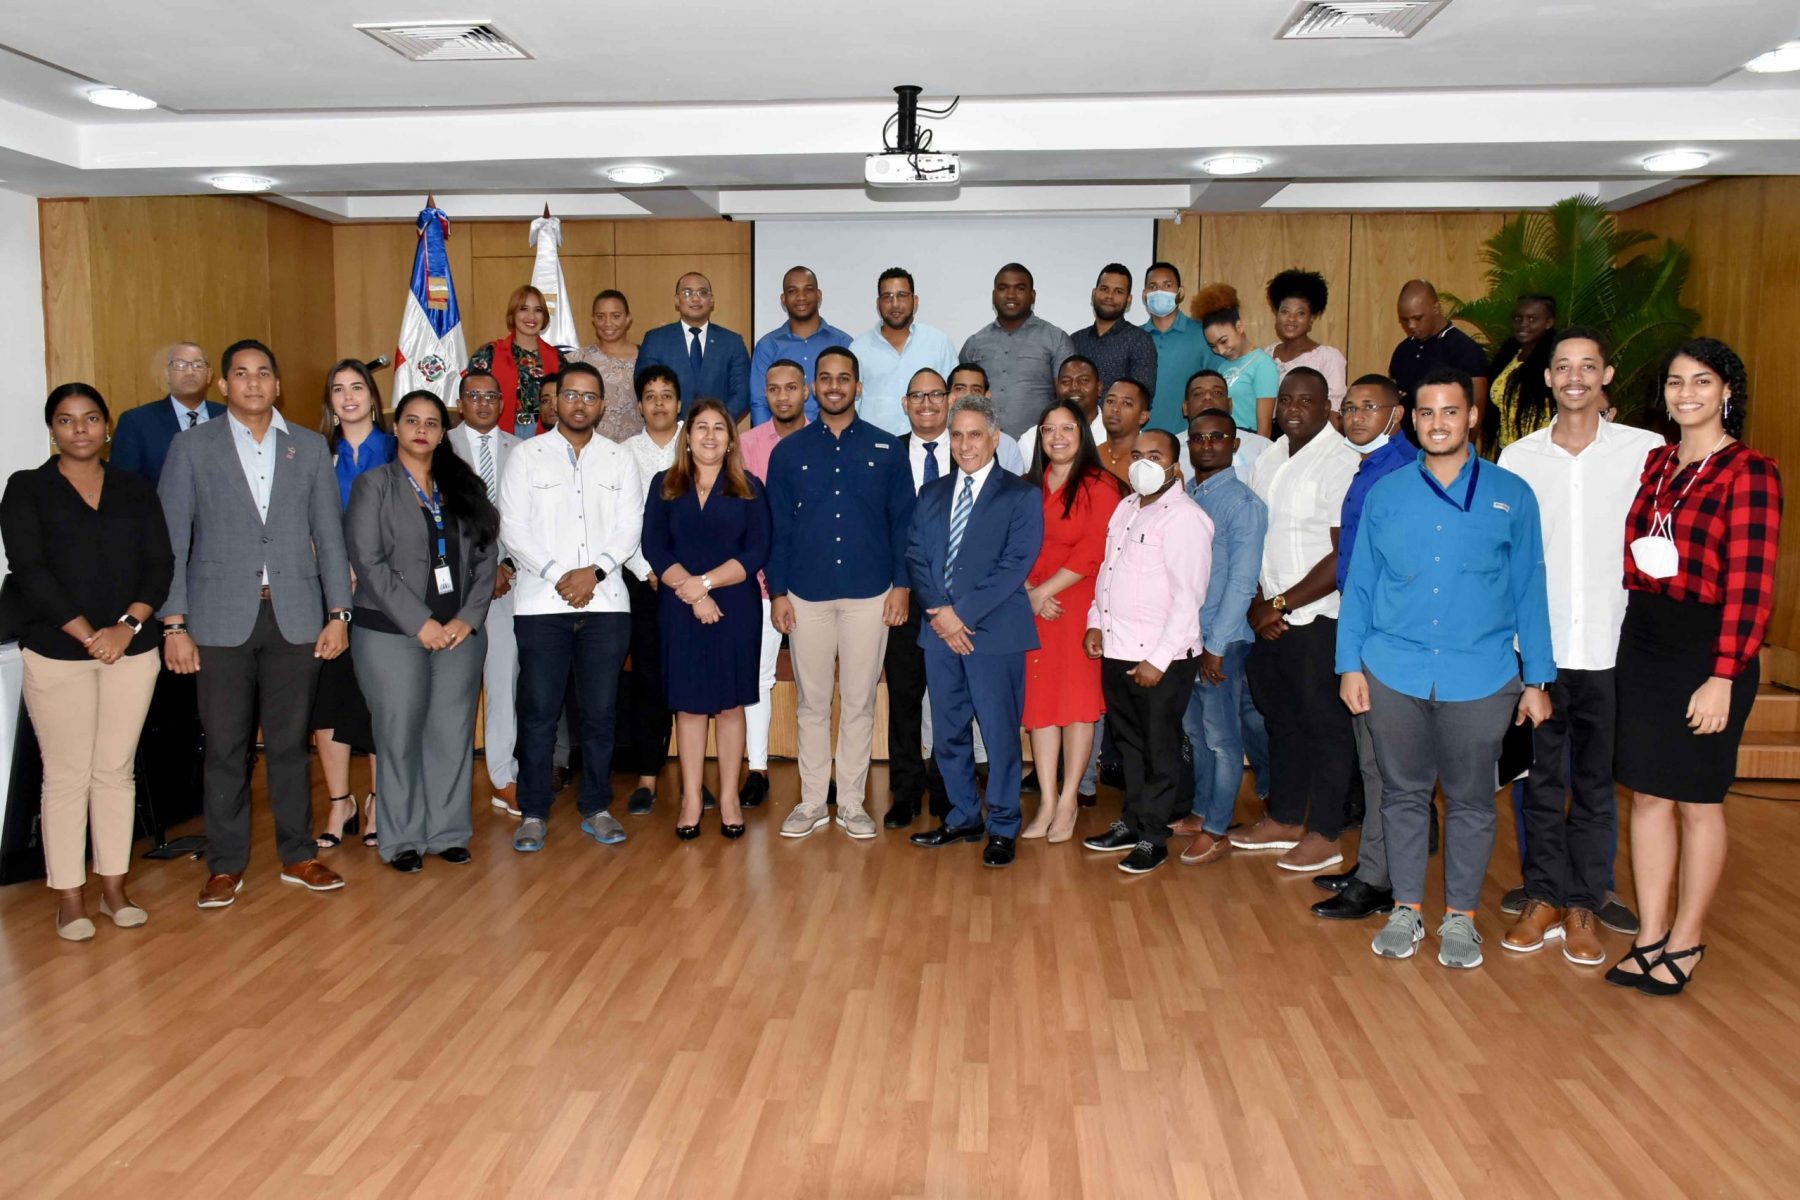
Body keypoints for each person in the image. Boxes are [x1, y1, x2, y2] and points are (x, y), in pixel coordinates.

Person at [1341, 365, 1555, 970]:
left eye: (1451, 411)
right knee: (1402, 796)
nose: (1438, 423)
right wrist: (1349, 665)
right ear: (1412, 419)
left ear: (1473, 416)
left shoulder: (1512, 494)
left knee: (1471, 801)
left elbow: (1530, 588)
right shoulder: (1386, 493)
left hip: (1482, 675)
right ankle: (1406, 908)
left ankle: (1461, 917)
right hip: (1392, 671)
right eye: (1427, 412)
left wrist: (1537, 680)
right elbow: (1361, 585)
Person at [1606, 338, 1782, 996]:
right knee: (1649, 793)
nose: (1686, 393)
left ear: (1727, 391)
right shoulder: (1658, 462)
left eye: (1702, 381)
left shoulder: (1750, 472)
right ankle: (1651, 932)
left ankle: (1687, 937)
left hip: (1709, 649)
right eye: (1676, 381)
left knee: (1698, 801)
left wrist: (1723, 675)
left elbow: (1752, 588)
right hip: (1645, 639)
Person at [158, 339, 353, 907]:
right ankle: (225, 866)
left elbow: (330, 537)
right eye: (241, 374)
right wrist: (174, 624)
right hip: (218, 620)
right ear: (223, 385)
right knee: (225, 747)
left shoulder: (309, 447)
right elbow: (172, 542)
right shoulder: (192, 447)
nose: (252, 382)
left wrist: (338, 614)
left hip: (295, 616)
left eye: (263, 373)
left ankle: (298, 855)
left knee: (290, 745)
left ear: (277, 385)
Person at [1498, 327, 1664, 963]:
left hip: (1614, 647)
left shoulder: (1646, 452)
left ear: (1606, 376)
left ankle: (1584, 904)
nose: (1575, 377)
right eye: (1563, 366)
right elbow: (1507, 559)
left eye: (1587, 366)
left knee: (1596, 786)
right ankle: (1542, 896)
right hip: (1539, 650)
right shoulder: (1519, 459)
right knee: (1541, 781)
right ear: (1547, 378)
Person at [2, 383, 172, 939]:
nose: (80, 429)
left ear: (107, 427)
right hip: (57, 652)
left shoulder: (134, 488)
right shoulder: (27, 488)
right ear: (52, 429)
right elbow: (29, 570)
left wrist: (126, 628)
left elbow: (160, 563)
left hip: (131, 650)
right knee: (67, 775)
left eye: (91, 418)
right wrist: (88, 636)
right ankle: (70, 897)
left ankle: (114, 887)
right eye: (67, 419)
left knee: (114, 771)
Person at [765, 346, 914, 840]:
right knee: (811, 703)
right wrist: (778, 593)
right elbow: (777, 529)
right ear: (814, 387)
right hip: (804, 594)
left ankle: (850, 802)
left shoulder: (887, 448)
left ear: (858, 386)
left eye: (843, 378)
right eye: (825, 378)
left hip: (869, 595)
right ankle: (812, 801)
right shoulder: (788, 453)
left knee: (859, 702)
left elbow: (903, 525)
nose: (834, 386)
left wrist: (902, 586)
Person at [346, 391, 498, 871]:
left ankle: (447, 832)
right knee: (399, 735)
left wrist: (468, 617)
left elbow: (486, 555)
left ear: (442, 433)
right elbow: (368, 563)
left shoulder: (463, 486)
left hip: (458, 635)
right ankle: (402, 840)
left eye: (432, 423)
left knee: (451, 734)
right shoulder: (374, 486)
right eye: (412, 421)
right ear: (396, 428)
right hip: (391, 633)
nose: (421, 430)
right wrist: (421, 623)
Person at [497, 360, 644, 853]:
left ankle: (597, 807)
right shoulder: (526, 456)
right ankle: (533, 811)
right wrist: (560, 574)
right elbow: (513, 527)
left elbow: (630, 526)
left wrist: (594, 572)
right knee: (538, 713)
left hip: (607, 605)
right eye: (571, 395)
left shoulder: (620, 459)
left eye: (590, 397)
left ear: (602, 406)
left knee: (600, 714)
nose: (580, 404)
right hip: (541, 605)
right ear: (555, 401)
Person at [905, 395, 1044, 868]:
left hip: (994, 634)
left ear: (995, 437)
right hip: (938, 634)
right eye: (957, 435)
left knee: (1000, 736)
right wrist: (940, 615)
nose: (965, 445)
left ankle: (1003, 826)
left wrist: (959, 615)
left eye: (975, 434)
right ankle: (963, 816)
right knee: (948, 733)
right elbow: (916, 557)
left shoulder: (1021, 495)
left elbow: (1014, 565)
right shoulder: (931, 493)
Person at [1232, 367, 1360, 871]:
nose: (1292, 409)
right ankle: (1285, 818)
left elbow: (1340, 555)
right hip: (1270, 617)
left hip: (1319, 618)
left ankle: (1325, 833)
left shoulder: (1341, 460)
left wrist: (1280, 603)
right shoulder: (1269, 457)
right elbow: (1256, 538)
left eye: (1306, 400)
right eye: (1286, 399)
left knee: (1325, 726)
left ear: (1327, 406)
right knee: (1281, 719)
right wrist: (1258, 604)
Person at [1310, 374, 1418, 921]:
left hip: (1390, 634)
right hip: (1364, 629)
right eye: (1349, 407)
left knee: (1389, 767)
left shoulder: (1404, 469)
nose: (1355, 417)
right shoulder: (1370, 465)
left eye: (1369, 407)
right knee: (1373, 764)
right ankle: (1375, 867)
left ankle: (1384, 879)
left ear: (1397, 414)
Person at [1080, 429, 1212, 875]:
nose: (1143, 464)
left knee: (1160, 748)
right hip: (1118, 647)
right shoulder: (1127, 507)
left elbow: (1189, 597)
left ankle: (1154, 837)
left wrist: (1159, 659)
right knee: (1129, 745)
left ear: (1175, 466)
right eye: (1137, 455)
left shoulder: (1186, 518)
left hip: (1162, 657)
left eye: (1154, 456)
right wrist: (1095, 621)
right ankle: (1133, 821)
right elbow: (1108, 571)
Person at [641, 399, 772, 839]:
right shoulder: (665, 485)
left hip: (735, 608)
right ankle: (692, 799)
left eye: (719, 428)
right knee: (690, 706)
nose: (710, 435)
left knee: (731, 705)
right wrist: (694, 593)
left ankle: (730, 797)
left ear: (731, 440)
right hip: (680, 608)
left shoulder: (749, 488)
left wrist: (707, 584)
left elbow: (756, 552)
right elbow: (654, 547)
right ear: (688, 437)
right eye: (701, 427)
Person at [1017, 398, 1121, 842]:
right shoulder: (1029, 487)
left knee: (1077, 706)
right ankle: (1046, 799)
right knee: (1041, 706)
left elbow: (1094, 548)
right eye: (1048, 429)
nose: (1057, 437)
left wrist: (1043, 592)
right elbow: (1012, 545)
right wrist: (1029, 591)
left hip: (1078, 605)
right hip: (1033, 606)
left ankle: (1069, 801)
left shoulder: (1101, 484)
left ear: (1083, 434)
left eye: (1067, 428)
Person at [1173, 408, 1267, 866]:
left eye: (1217, 437)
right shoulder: (1187, 495)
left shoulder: (1243, 504)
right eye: (1198, 438)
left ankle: (1216, 829)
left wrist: (1216, 647)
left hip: (1221, 641)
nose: (1207, 445)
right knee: (1195, 732)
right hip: (1186, 637)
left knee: (1221, 738)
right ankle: (1201, 811)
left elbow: (1243, 584)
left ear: (1235, 444)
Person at [312, 360, 392, 850]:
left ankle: (380, 801)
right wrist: (331, 566)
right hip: (327, 592)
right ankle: (339, 801)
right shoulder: (316, 453)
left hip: (384, 595)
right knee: (329, 697)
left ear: (372, 397)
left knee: (379, 699)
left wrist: (364, 566)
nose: (348, 397)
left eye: (357, 387)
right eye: (338, 389)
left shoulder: (396, 447)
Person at [883, 368, 961, 829]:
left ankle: (948, 789)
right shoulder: (887, 452)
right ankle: (906, 792)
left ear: (949, 400)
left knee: (950, 699)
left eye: (935, 395)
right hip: (903, 596)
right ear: (905, 403)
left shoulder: (967, 449)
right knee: (904, 698)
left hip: (955, 599)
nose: (927, 403)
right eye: (918, 396)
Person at [446, 371, 523, 816]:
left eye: (490, 396)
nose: (482, 403)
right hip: (452, 589)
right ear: (460, 403)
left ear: (502, 402)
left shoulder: (521, 449)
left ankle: (502, 776)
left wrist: (505, 566)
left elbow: (525, 517)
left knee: (503, 680)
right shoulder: (440, 446)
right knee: (452, 689)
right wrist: (478, 569)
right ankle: (447, 782)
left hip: (505, 584)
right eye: (473, 396)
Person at [737, 359, 811, 811]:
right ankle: (758, 768)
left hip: (816, 584)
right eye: (774, 389)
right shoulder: (746, 445)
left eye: (791, 387)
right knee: (759, 677)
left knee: (815, 683)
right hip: (761, 583)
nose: (783, 396)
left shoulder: (824, 440)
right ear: (764, 394)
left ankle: (820, 772)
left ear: (807, 392)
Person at [615, 366, 685, 815]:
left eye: (667, 395)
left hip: (696, 584)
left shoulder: (697, 441)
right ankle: (647, 775)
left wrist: (684, 574)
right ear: (639, 405)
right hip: (643, 580)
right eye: (651, 396)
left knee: (691, 678)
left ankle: (694, 775)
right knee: (648, 678)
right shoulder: (623, 453)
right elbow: (622, 521)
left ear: (680, 402)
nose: (659, 403)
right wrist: (648, 570)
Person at [959, 263, 1076, 438]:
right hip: (983, 445)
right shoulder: (974, 343)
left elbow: (1068, 398)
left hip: (1039, 445)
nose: (1010, 295)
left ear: (1032, 296)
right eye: (1003, 288)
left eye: (1020, 288)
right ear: (993, 295)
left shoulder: (1055, 339)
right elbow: (959, 400)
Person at [848, 267, 959, 437]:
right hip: (874, 446)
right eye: (887, 297)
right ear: (878, 303)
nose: (895, 304)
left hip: (927, 445)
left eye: (902, 295)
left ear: (915, 300)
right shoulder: (859, 349)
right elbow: (851, 406)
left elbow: (954, 401)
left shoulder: (938, 343)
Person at [635, 272, 751, 421]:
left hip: (717, 429)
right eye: (687, 292)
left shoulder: (732, 342)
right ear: (677, 300)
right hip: (669, 430)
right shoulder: (655, 340)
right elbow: (645, 388)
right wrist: (674, 428)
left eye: (703, 292)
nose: (696, 298)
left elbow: (743, 393)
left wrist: (716, 423)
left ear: (711, 300)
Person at [108, 341, 225, 485]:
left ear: (209, 375)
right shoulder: (136, 422)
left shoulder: (228, 416)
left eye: (198, 365)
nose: (190, 372)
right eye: (180, 365)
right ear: (167, 375)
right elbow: (123, 485)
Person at [749, 266, 850, 425]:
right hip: (783, 437)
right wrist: (769, 440)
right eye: (792, 291)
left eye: (808, 290)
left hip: (834, 436)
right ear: (783, 299)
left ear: (818, 295)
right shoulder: (768, 346)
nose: (801, 297)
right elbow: (759, 403)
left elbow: (853, 398)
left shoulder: (843, 343)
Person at [468, 285, 563, 438]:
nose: (531, 316)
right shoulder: (488, 353)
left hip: (546, 435)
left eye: (538, 310)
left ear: (544, 316)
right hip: (498, 433)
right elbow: (470, 395)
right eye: (524, 309)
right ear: (513, 314)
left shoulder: (558, 358)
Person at [1140, 261, 1221, 435]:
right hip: (1141, 439)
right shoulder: (1135, 337)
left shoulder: (1202, 334)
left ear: (1180, 292)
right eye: (1153, 286)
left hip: (1190, 439)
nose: (1159, 291)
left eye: (1167, 285)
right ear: (1145, 295)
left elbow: (1217, 386)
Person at [1389, 279, 1489, 411]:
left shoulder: (1466, 350)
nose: (1411, 325)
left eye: (1418, 318)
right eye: (1404, 320)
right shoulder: (1402, 350)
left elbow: (1476, 413)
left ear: (1436, 308)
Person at [1195, 284, 1279, 438]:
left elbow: (1265, 425)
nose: (1221, 351)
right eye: (1213, 346)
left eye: (1224, 341)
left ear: (1239, 326)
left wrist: (1259, 450)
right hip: (1222, 440)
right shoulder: (1222, 367)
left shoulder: (1263, 364)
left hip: (1249, 440)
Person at [1484, 293, 1557, 455]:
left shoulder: (1556, 360)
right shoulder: (1508, 357)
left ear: (1548, 322)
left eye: (1532, 319)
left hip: (1542, 453)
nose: (1523, 324)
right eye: (1518, 318)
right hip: (1506, 452)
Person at [1264, 269, 1348, 411]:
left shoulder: (1327, 358)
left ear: (1312, 318)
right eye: (1285, 311)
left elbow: (1334, 411)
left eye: (1300, 313)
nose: (1291, 319)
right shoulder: (1266, 354)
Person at [1071, 263, 1158, 396]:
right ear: (1094, 294)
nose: (1109, 296)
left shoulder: (1140, 341)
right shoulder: (1075, 340)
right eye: (1104, 289)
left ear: (1129, 300)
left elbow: (1141, 397)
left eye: (1118, 291)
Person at [573, 289, 644, 443]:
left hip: (635, 447)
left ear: (628, 318)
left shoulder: (646, 357)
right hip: (590, 448)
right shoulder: (577, 360)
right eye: (600, 317)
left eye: (616, 316)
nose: (608, 323)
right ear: (593, 319)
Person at [1183, 370, 1271, 488]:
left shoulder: (1263, 448)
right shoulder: (1170, 449)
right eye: (1198, 394)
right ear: (1185, 407)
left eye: (1217, 393)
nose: (1208, 397)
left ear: (1230, 405)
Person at [1015, 355, 1107, 467]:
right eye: (1066, 382)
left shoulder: (1116, 435)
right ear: (1056, 388)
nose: (1074, 387)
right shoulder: (1032, 439)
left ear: (1099, 387)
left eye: (1083, 381)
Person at [940, 363, 1026, 474]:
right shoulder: (934, 441)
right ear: (949, 396)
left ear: (987, 396)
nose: (968, 395)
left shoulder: (1006, 445)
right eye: (960, 389)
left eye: (976, 390)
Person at [1096, 377, 1153, 485]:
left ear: (1143, 417)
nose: (1115, 408)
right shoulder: (1090, 457)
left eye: (1126, 403)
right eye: (1110, 401)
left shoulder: (1154, 464)